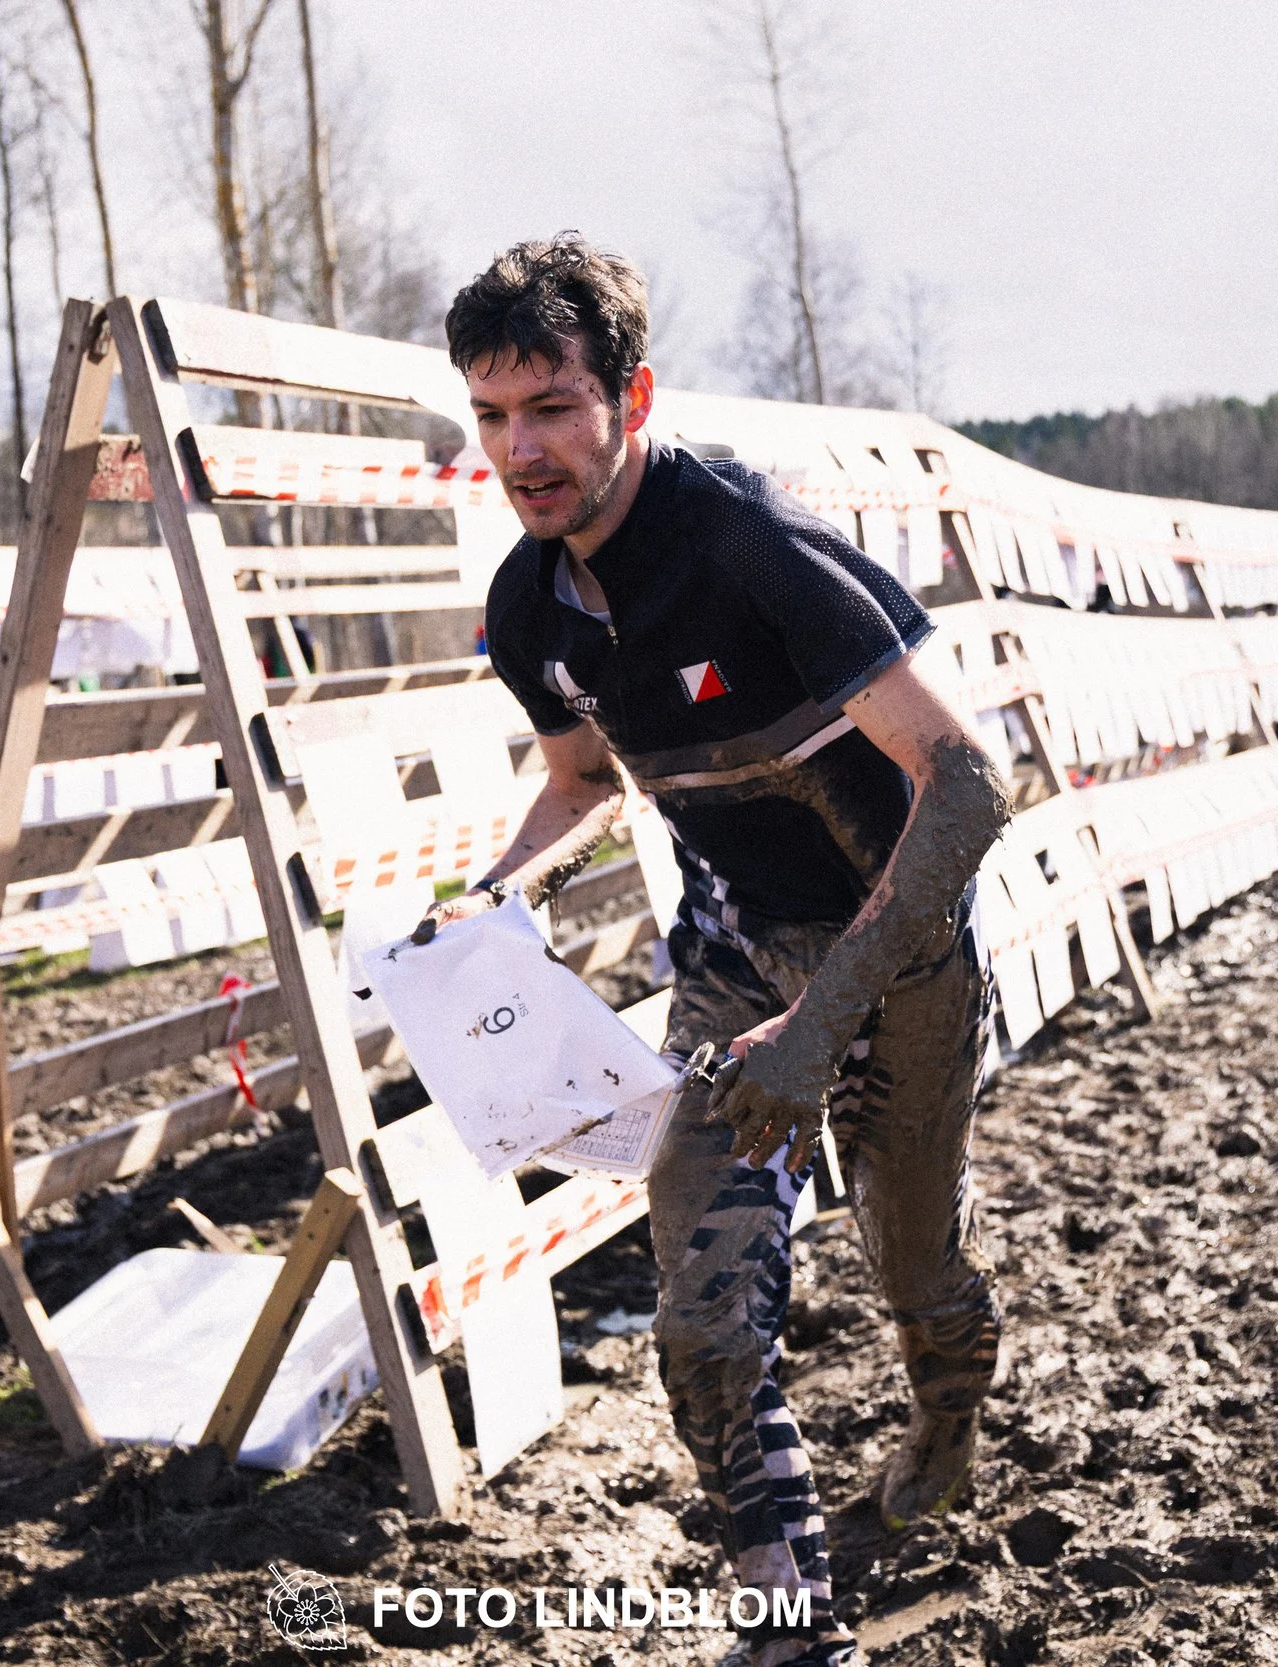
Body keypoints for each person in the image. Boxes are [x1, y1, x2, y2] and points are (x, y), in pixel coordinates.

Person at [418, 236, 1012, 1667]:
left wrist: (819, 1027)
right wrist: (488, 904)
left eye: (553, 406)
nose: (521, 449)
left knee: (912, 1261)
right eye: (491, 415)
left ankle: (946, 1412)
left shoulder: (750, 545)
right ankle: (785, 1616)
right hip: (734, 958)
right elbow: (581, 782)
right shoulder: (528, 606)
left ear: (632, 395)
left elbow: (968, 787)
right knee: (703, 1311)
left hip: (897, 953)